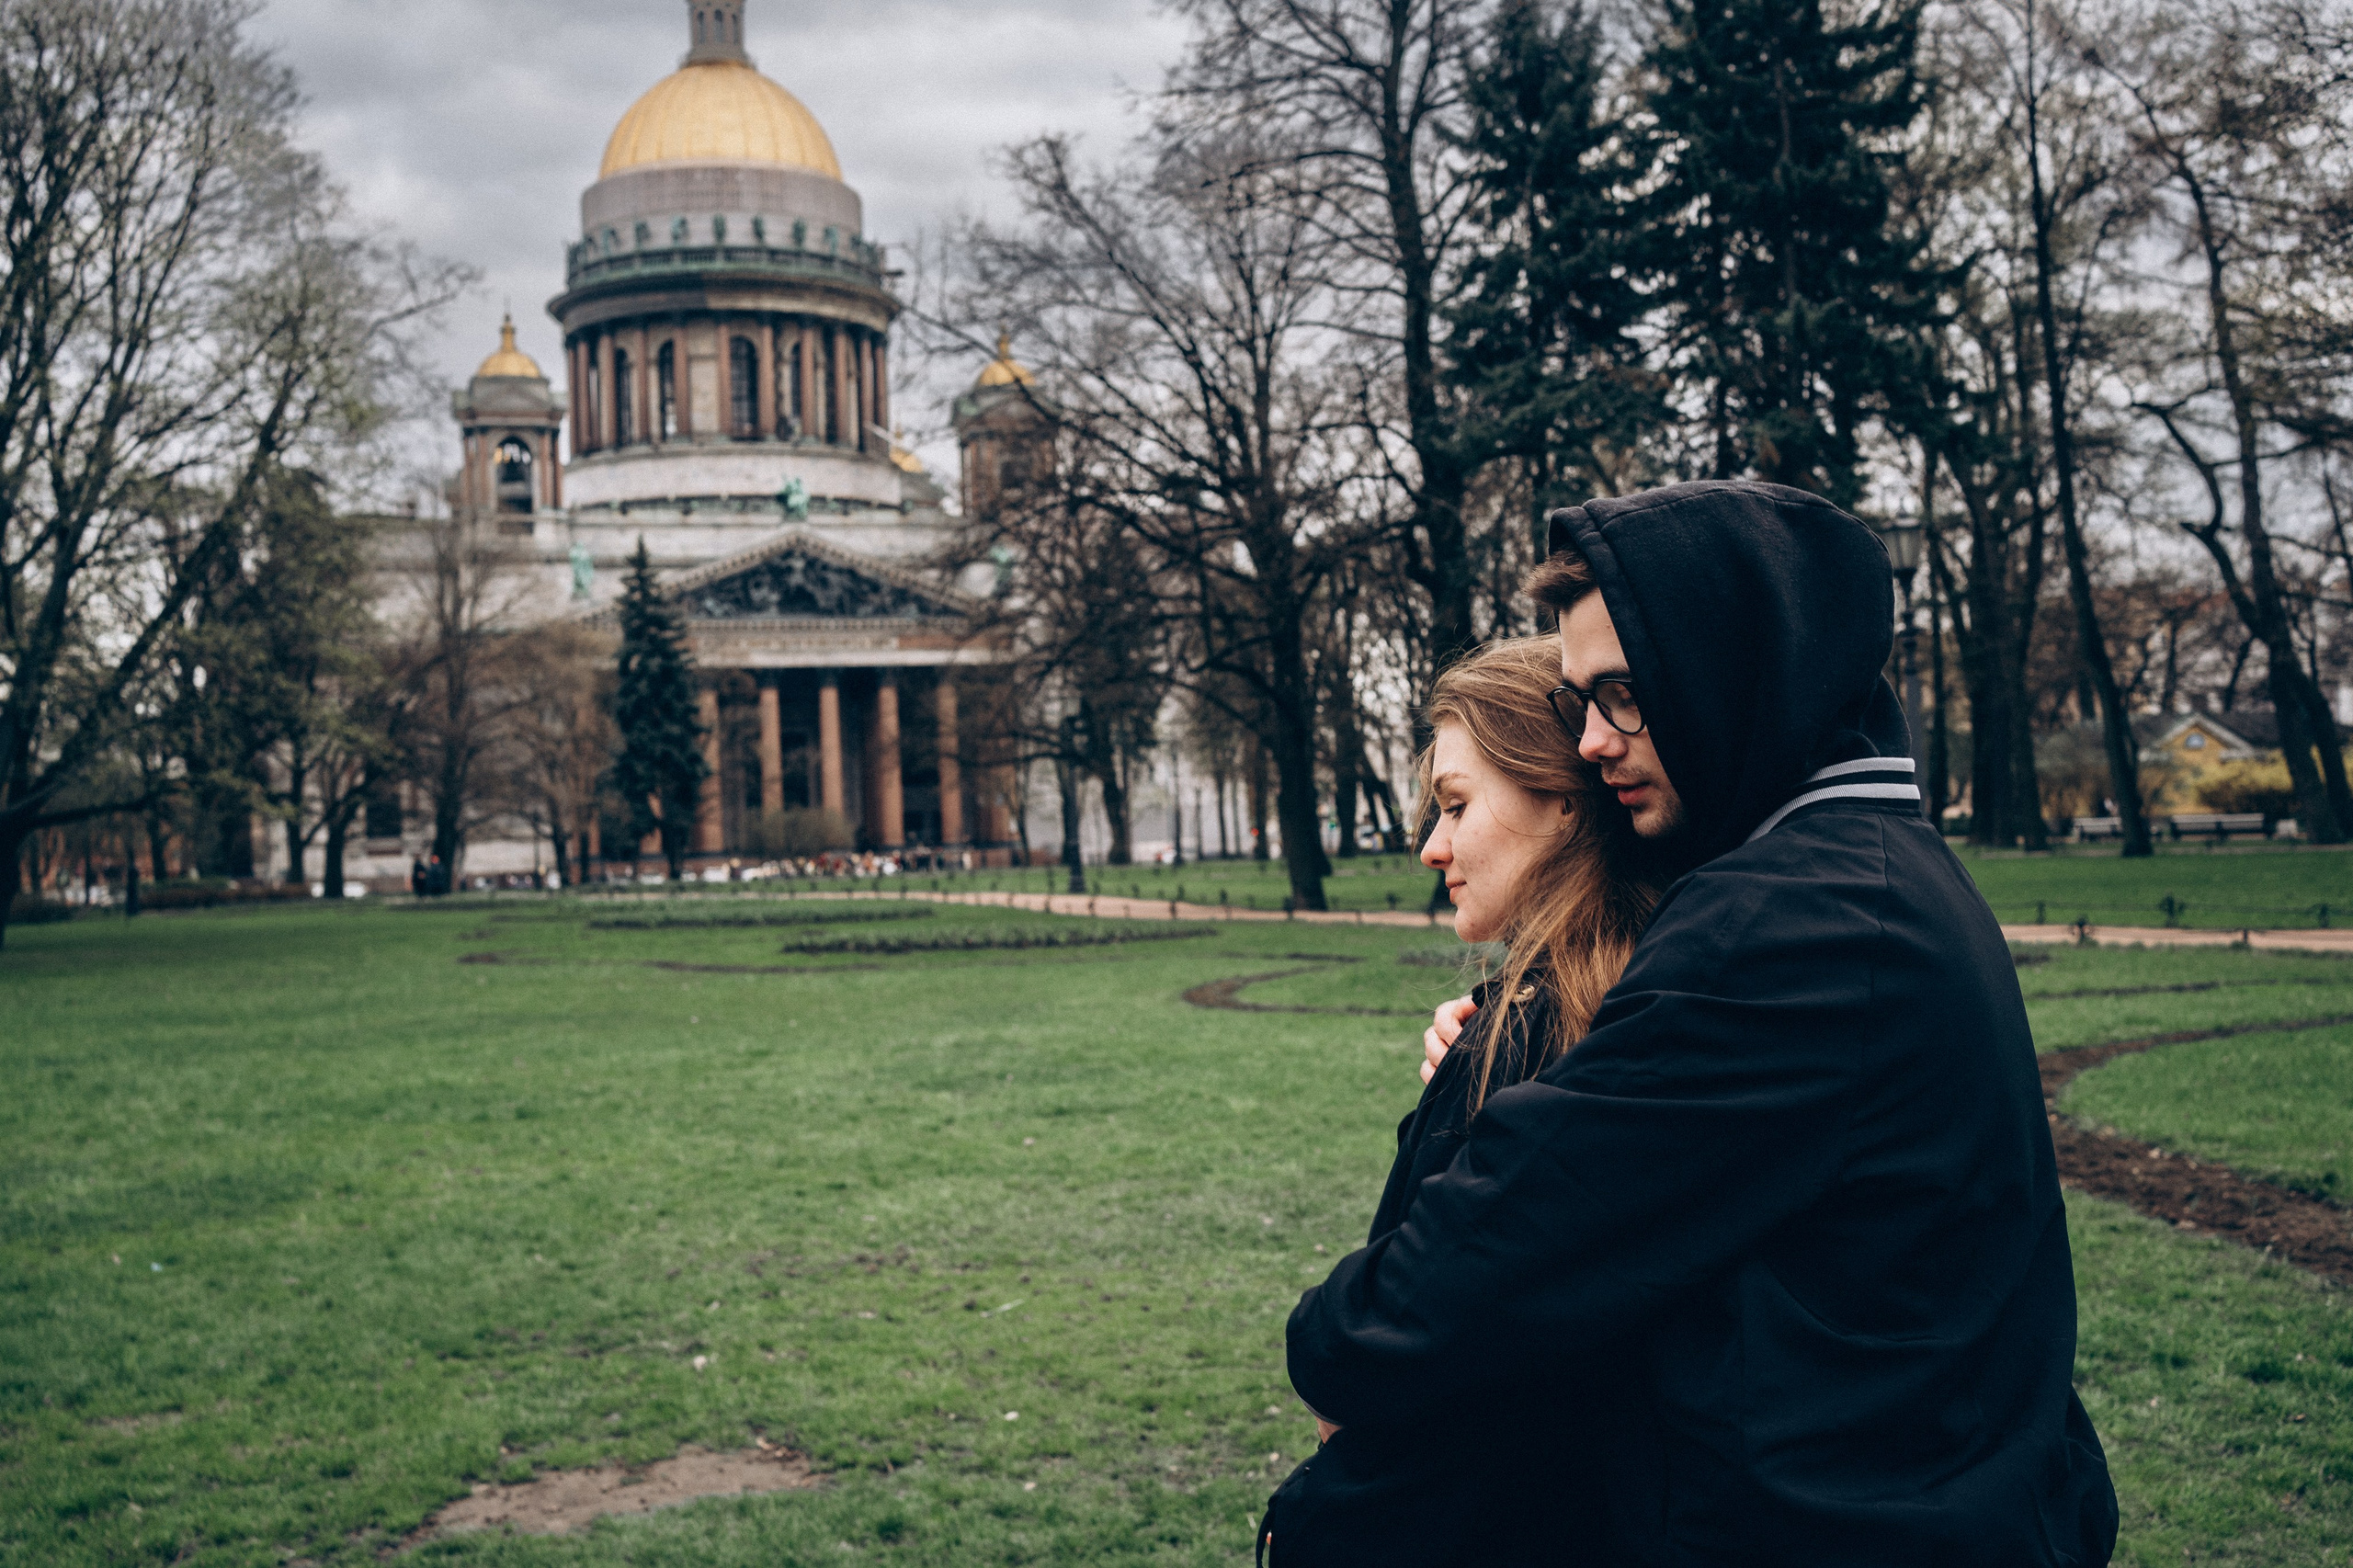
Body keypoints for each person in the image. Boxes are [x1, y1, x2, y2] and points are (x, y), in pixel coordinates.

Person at [1275, 482, 2116, 1566]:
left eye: (1621, 694)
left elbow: (1507, 1238)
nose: (1590, 739)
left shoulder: (1793, 922)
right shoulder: (1874, 869)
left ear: (1730, 668)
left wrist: (1329, 1341)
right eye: (1579, 697)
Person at [1260, 636, 1658, 1566]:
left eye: (1454, 804)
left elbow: (1391, 1360)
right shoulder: (1634, 1016)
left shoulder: (1529, 1041)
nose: (1432, 844)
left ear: (1563, 801)